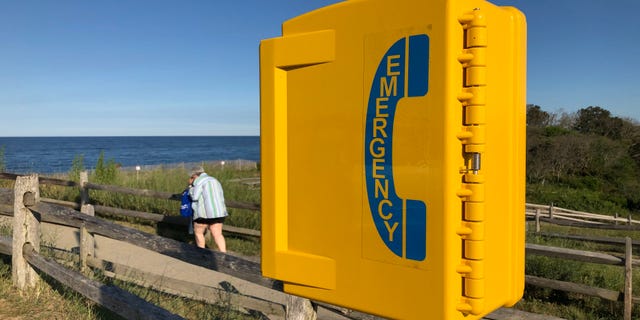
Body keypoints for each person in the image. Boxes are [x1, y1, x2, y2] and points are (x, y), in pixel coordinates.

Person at [188, 166, 228, 252]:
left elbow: (195, 197)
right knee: (218, 234)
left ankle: (202, 253)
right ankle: (224, 254)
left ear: (194, 175)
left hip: (203, 213)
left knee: (198, 232)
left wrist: (190, 187)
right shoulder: (215, 180)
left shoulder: (198, 182)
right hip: (219, 212)